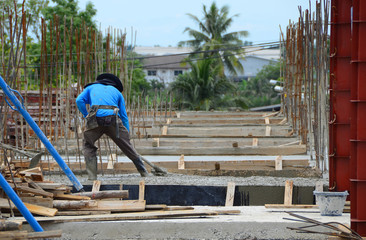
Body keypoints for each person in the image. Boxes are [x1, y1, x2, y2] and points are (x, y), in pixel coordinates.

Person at [76, 73, 149, 180]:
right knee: (127, 146)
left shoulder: (91, 88)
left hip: (95, 118)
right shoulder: (117, 92)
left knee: (88, 145)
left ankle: (92, 177)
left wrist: (86, 115)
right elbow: (124, 116)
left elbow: (79, 100)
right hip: (113, 118)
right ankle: (143, 172)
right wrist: (126, 134)